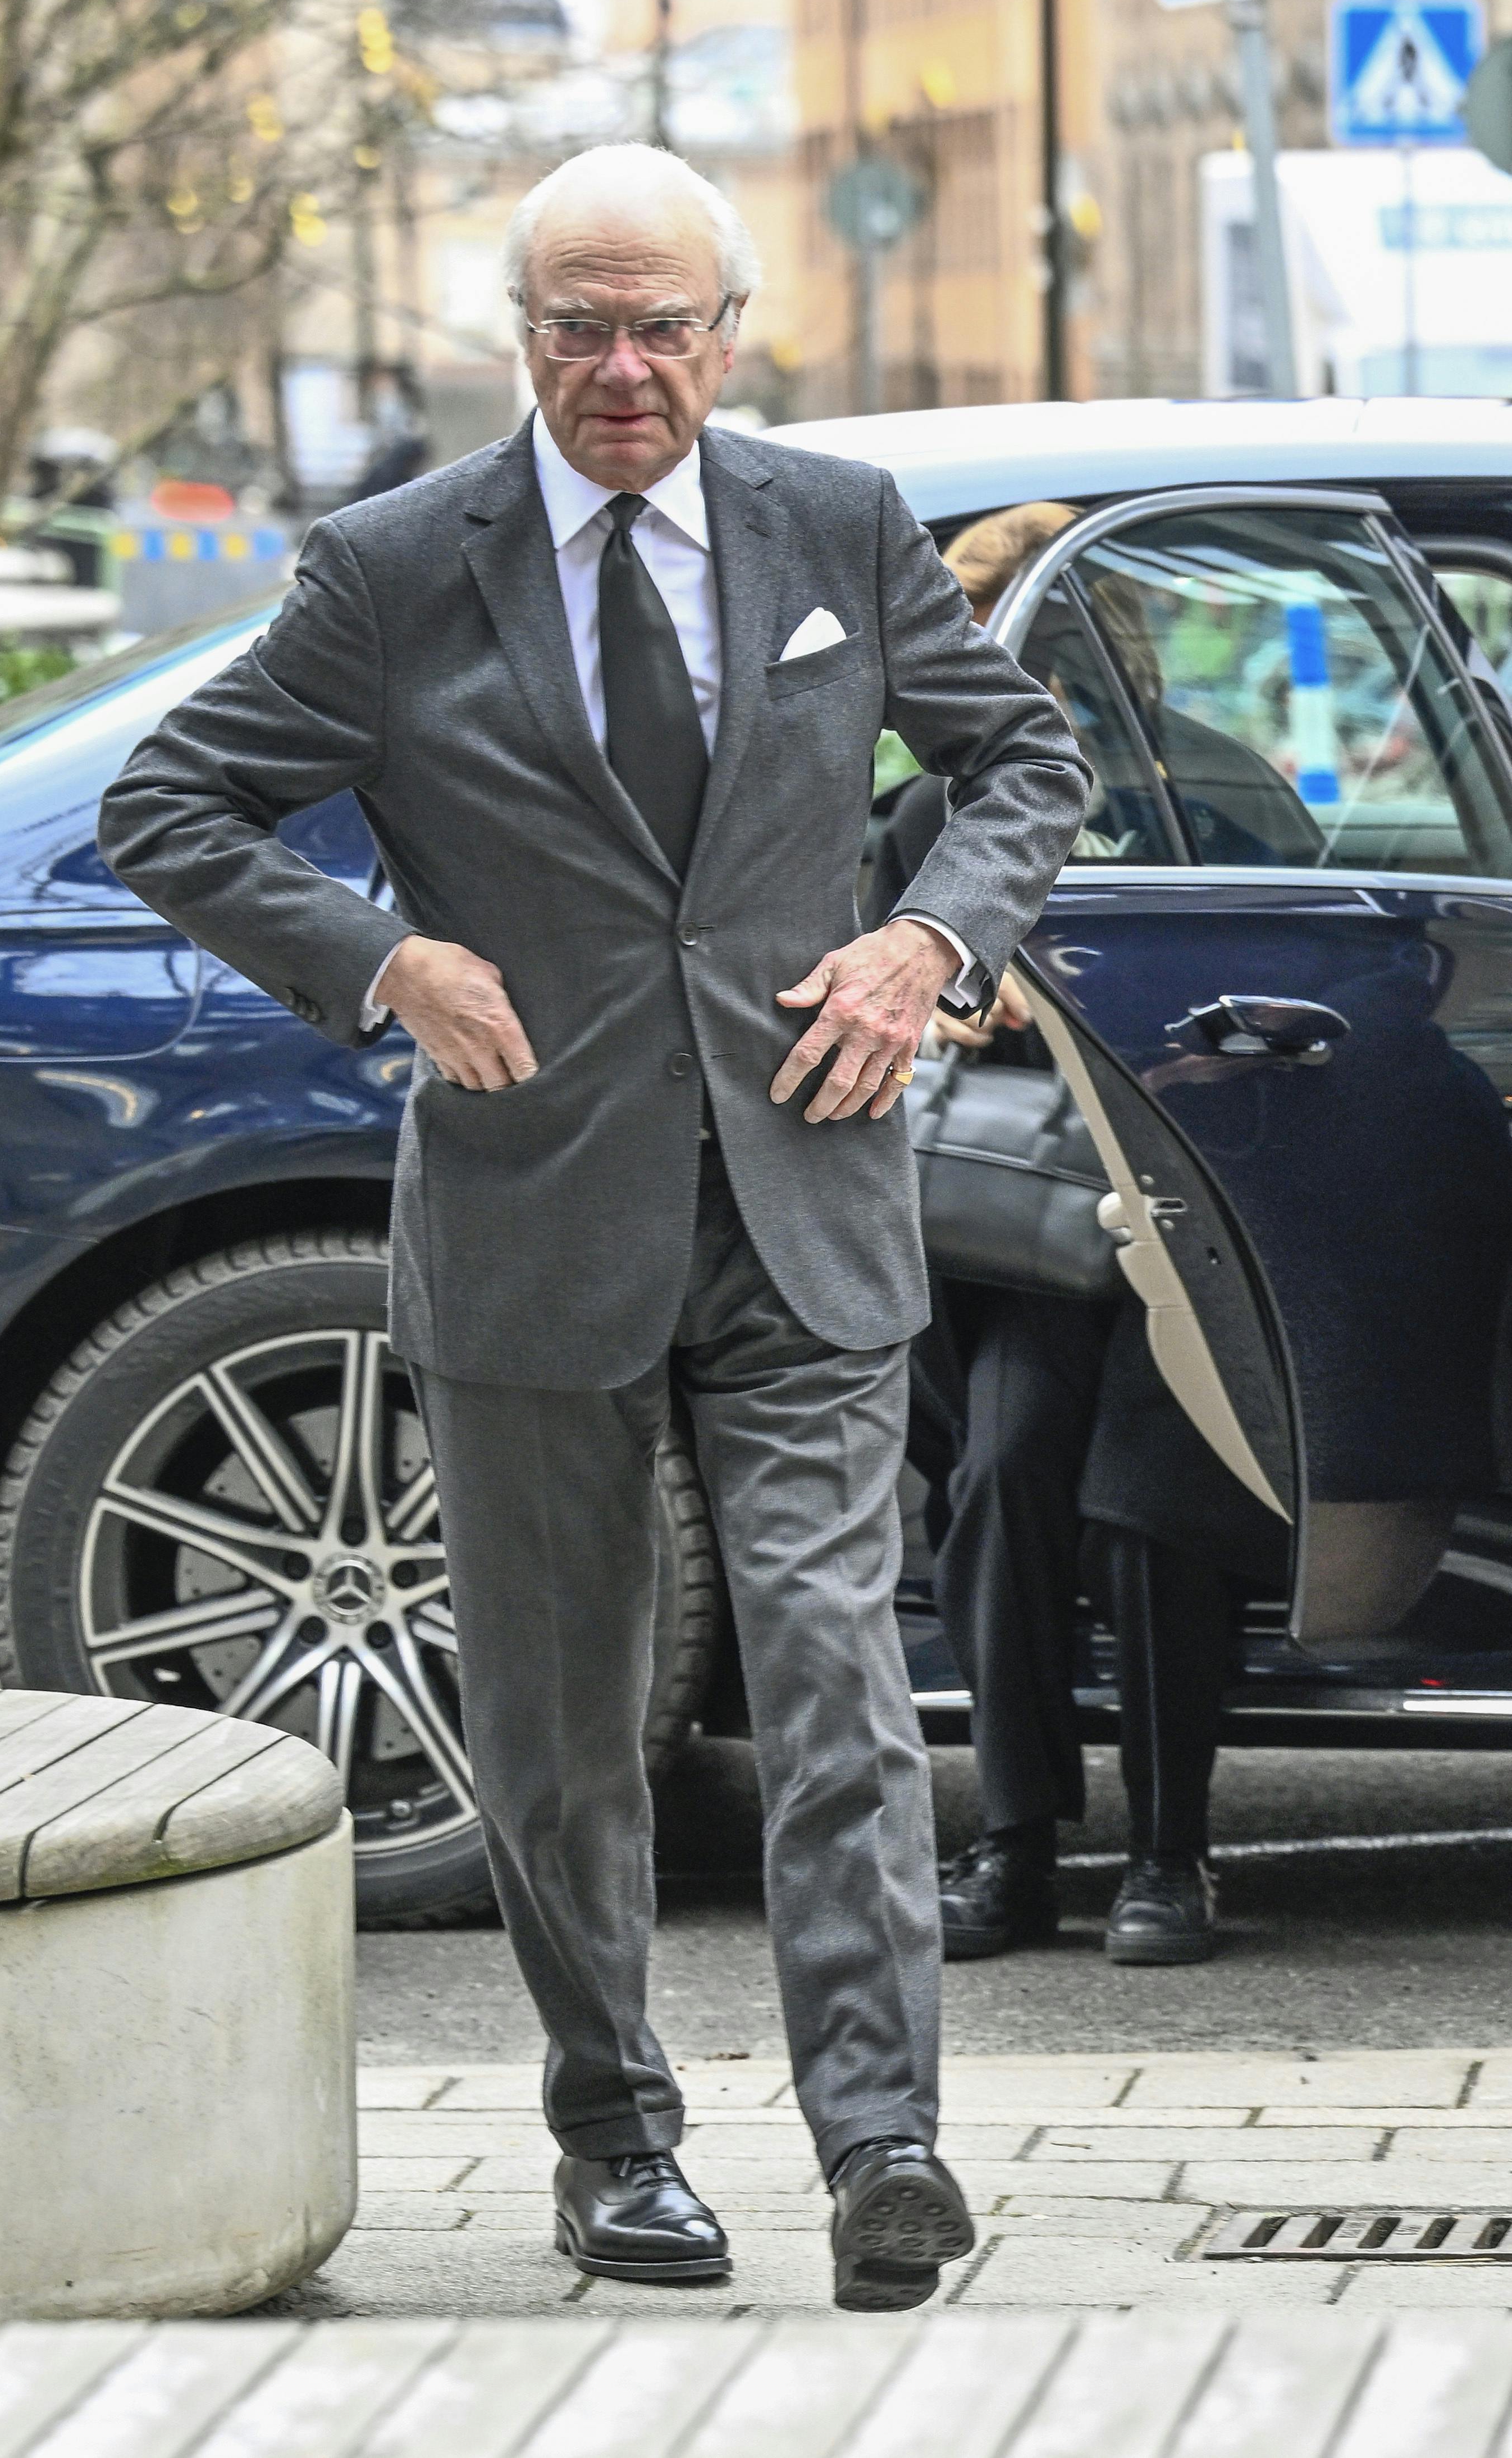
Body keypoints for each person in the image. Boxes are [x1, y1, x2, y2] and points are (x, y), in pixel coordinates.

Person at [97, 144, 1088, 2313]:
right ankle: (611, 2138)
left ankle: (883, 2143)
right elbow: (164, 804)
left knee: (837, 1679)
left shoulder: (833, 526)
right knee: (560, 1719)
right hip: (535, 1207)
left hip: (805, 1194)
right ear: (521, 341)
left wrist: (928, 945)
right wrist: (380, 961)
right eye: (581, 330)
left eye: (665, 328)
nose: (626, 369)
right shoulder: (392, 568)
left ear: (731, 335)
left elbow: (1027, 766)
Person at [882, 501, 1288, 1967]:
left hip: (1210, 1227)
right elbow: (852, 1023)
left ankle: (1170, 1860)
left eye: (1024, 658)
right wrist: (947, 1006)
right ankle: (1014, 1842)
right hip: (1025, 1238)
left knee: (1150, 1500)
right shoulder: (928, 823)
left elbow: (1314, 1009)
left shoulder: (1222, 802)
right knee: (1000, 1475)